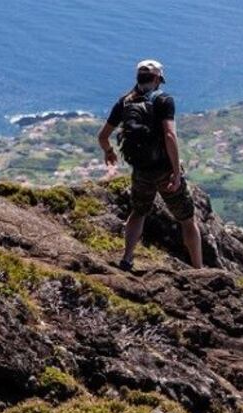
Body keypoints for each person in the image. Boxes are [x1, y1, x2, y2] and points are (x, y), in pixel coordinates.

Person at [97, 59, 203, 270]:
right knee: (187, 220)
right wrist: (176, 172)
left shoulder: (124, 102)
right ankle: (198, 269)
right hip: (163, 168)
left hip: (141, 171)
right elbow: (170, 135)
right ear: (157, 79)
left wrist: (109, 152)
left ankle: (127, 258)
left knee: (138, 212)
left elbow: (103, 137)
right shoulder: (163, 100)